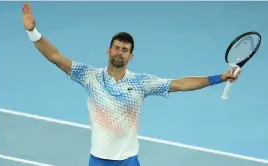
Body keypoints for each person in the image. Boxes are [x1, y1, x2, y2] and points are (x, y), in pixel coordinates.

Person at [22, 3, 240, 166]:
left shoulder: (141, 83)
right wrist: (33, 32)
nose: (120, 52)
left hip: (128, 161)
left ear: (131, 56)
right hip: (98, 160)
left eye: (125, 50)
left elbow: (180, 84)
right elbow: (56, 57)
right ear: (108, 50)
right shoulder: (89, 76)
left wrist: (218, 78)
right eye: (117, 47)